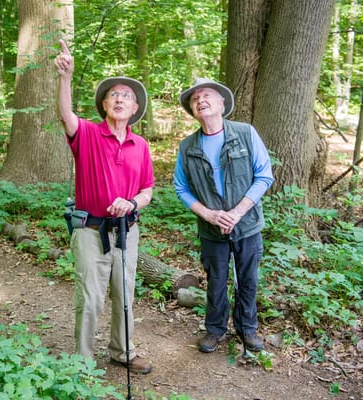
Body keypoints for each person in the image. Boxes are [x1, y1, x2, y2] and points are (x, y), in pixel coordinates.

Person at [54, 39, 155, 374]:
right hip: (89, 230)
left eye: (126, 95)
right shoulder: (86, 133)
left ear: (136, 107)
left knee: (124, 296)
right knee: (90, 298)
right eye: (113, 94)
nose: (120, 98)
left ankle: (123, 352)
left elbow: (148, 190)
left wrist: (132, 203)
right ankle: (82, 364)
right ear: (104, 104)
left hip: (127, 231)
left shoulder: (140, 145)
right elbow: (65, 114)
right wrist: (66, 77)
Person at [173, 78, 274, 353]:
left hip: (247, 225)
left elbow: (264, 176)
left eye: (206, 95)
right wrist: (208, 214)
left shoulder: (245, 133)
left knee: (248, 279)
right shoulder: (187, 147)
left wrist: (237, 213)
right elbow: (181, 188)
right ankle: (215, 330)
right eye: (194, 99)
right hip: (211, 229)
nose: (200, 101)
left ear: (221, 103)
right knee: (216, 280)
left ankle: (247, 329)